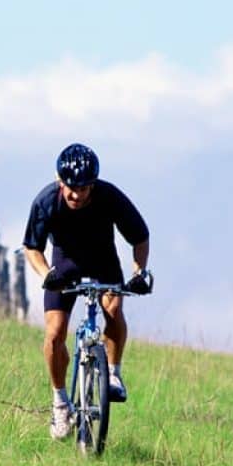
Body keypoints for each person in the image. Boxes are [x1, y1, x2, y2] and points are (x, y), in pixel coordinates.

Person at [22, 143, 153, 440]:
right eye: (70, 187)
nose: (76, 194)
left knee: (114, 310)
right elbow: (31, 247)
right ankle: (60, 403)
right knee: (55, 333)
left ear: (93, 184)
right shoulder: (46, 201)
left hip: (102, 261)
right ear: (60, 181)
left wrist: (139, 273)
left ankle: (113, 372)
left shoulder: (110, 197)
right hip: (64, 265)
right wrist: (47, 275)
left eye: (83, 188)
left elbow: (140, 237)